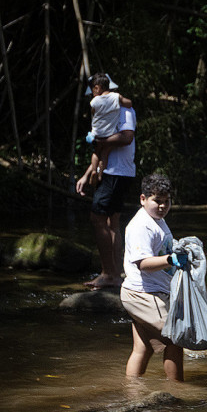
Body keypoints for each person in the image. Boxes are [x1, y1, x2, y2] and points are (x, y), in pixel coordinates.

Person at [120, 174, 188, 381]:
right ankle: (176, 389)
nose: (162, 206)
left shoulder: (157, 221)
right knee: (175, 338)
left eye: (167, 201)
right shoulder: (141, 226)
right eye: (157, 200)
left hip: (147, 293)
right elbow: (143, 263)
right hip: (143, 294)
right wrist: (170, 259)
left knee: (143, 348)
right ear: (143, 199)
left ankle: (132, 391)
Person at [76, 103, 136, 290]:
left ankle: (109, 274)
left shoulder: (123, 111)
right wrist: (87, 175)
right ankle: (114, 274)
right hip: (113, 173)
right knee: (112, 223)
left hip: (116, 173)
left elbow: (127, 137)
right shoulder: (105, 114)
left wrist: (102, 141)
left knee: (98, 219)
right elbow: (99, 152)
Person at [84, 73, 133, 184]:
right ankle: (100, 174)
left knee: (96, 153)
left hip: (96, 134)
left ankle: (94, 171)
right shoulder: (116, 97)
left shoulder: (94, 101)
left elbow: (93, 112)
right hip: (109, 134)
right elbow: (129, 103)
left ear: (97, 88)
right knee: (105, 153)